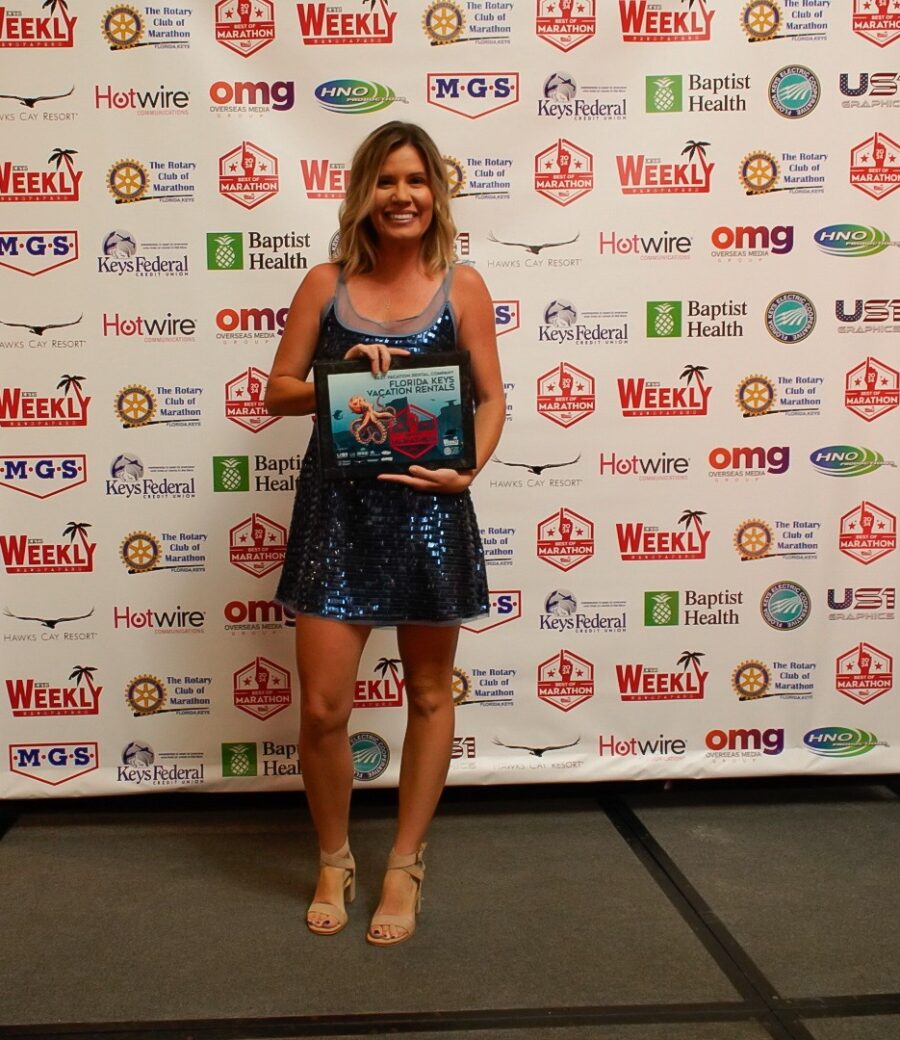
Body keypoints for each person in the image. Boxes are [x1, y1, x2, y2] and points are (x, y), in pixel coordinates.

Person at [265, 122, 504, 946]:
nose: (402, 195)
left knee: (430, 695)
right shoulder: (324, 284)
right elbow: (277, 392)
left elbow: (490, 399)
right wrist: (340, 370)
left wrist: (467, 470)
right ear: (362, 193)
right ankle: (335, 856)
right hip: (339, 519)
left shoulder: (462, 285)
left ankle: (404, 861)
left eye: (417, 180)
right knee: (325, 707)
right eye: (386, 181)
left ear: (436, 192)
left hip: (431, 512)